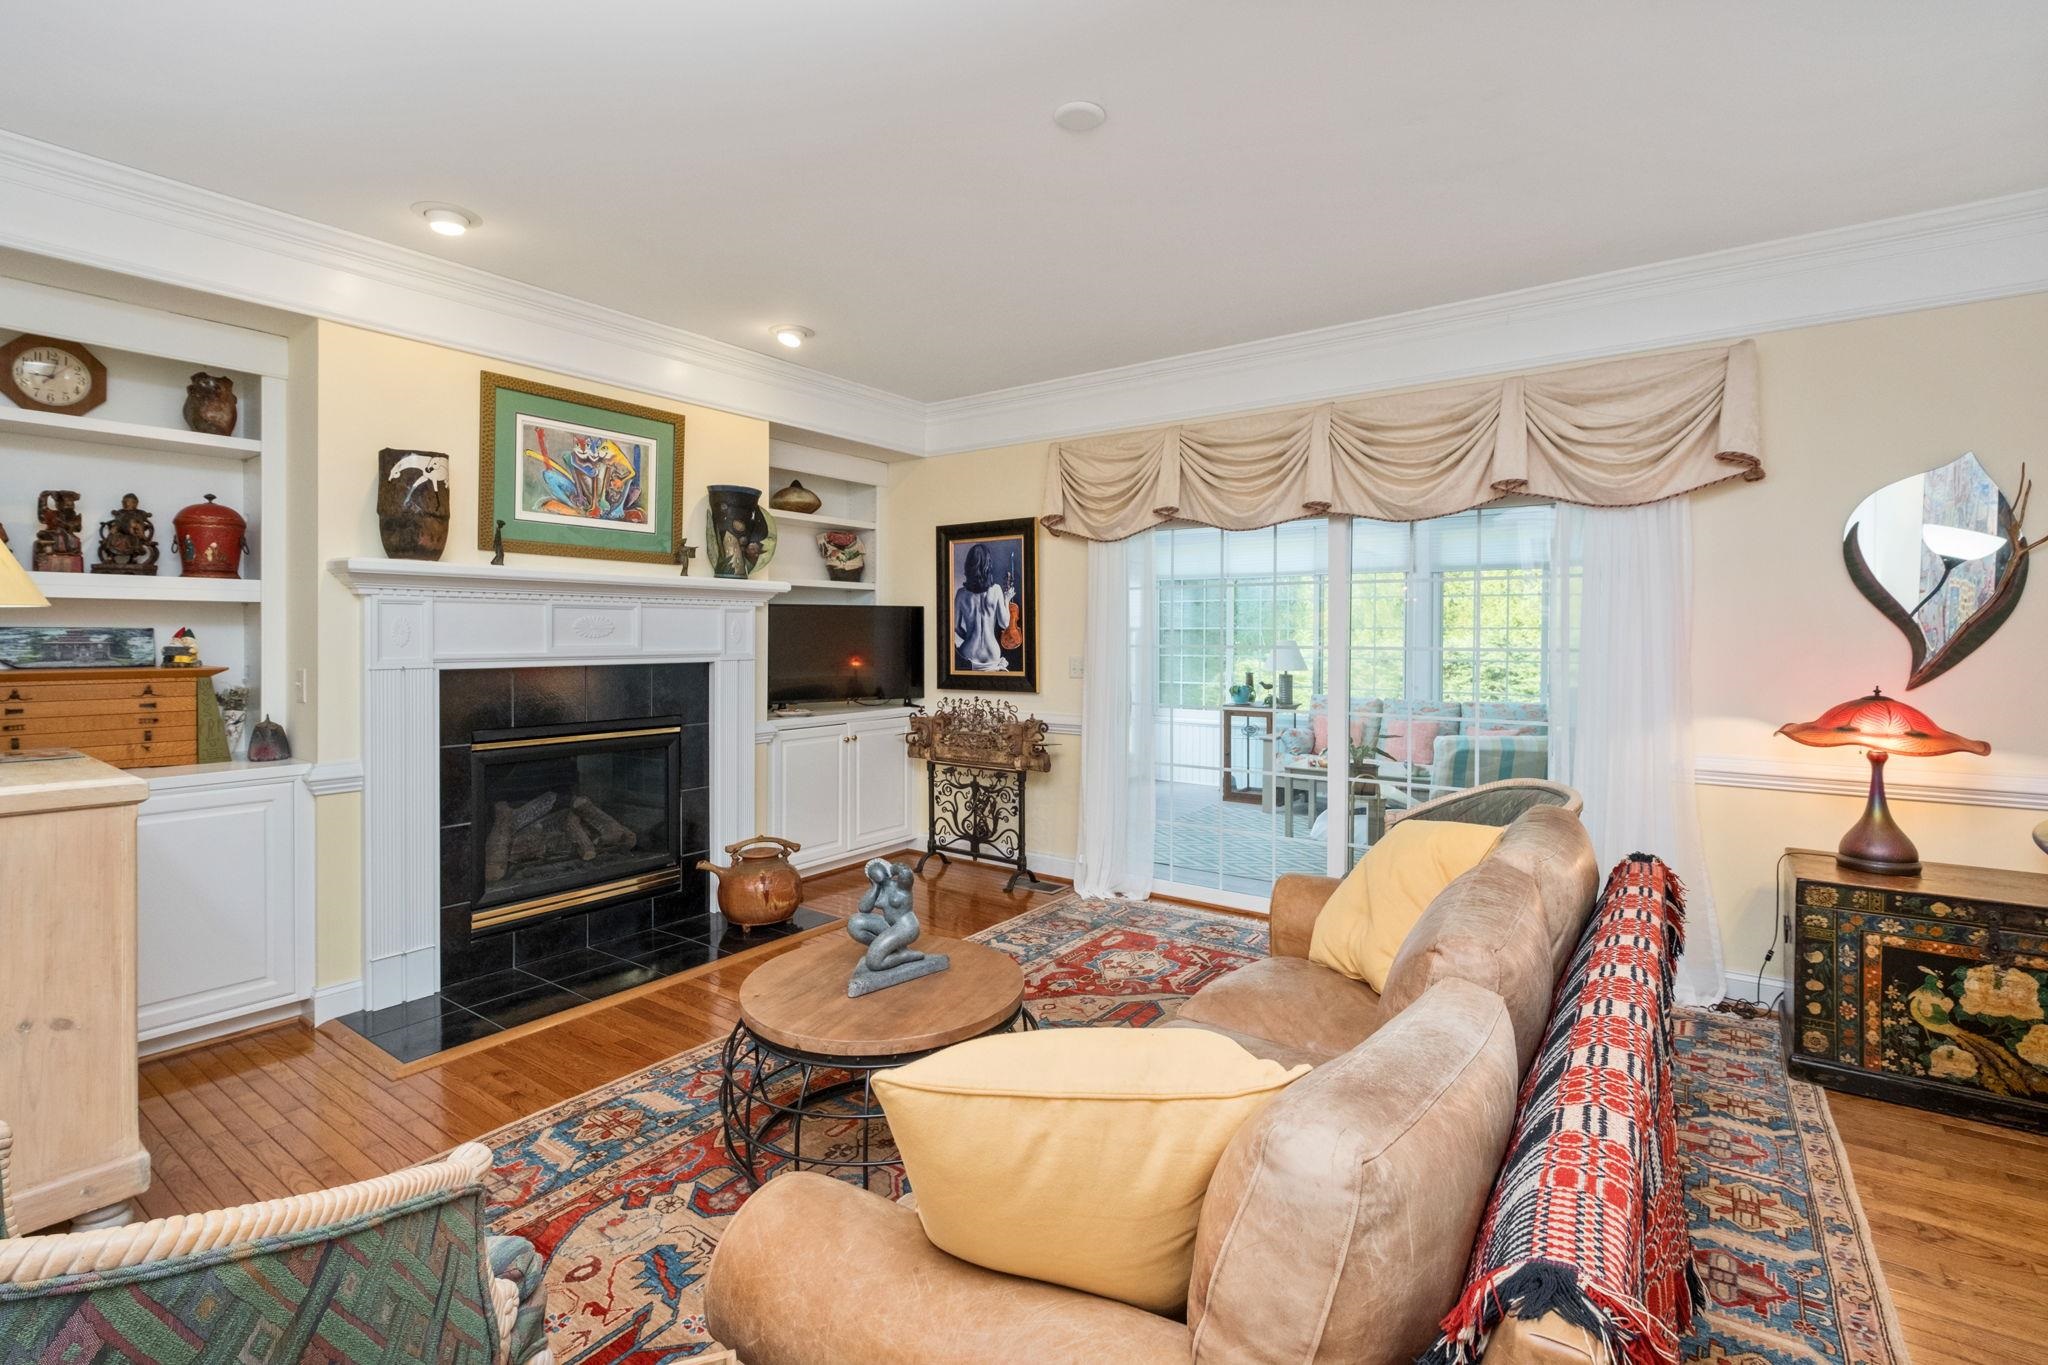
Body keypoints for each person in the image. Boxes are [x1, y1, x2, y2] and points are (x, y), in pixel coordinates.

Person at [952, 541, 1014, 672]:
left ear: (968, 566)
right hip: (992, 655)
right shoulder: (996, 590)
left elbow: (955, 627)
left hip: (968, 654)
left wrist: (970, 637)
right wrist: (1006, 599)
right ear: (988, 565)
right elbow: (1004, 623)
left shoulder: (961, 594)